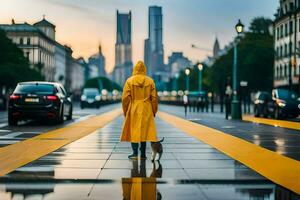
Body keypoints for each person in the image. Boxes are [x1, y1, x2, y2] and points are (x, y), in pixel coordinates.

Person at [121, 61, 158, 159]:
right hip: (147, 108)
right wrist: (154, 111)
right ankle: (143, 154)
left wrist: (126, 111)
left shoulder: (129, 81)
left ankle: (135, 153)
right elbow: (154, 98)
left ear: (134, 69)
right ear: (144, 69)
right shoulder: (150, 81)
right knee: (144, 131)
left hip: (134, 107)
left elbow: (125, 98)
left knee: (134, 130)